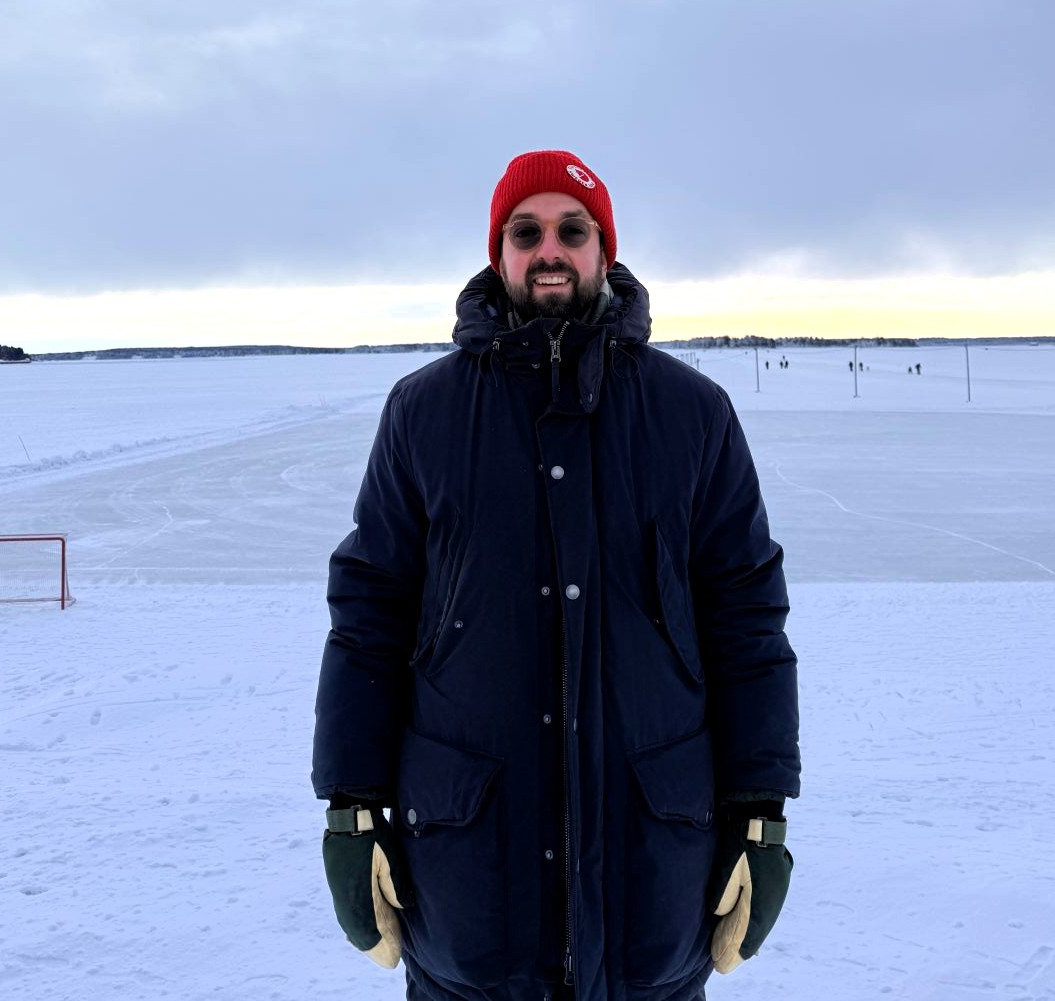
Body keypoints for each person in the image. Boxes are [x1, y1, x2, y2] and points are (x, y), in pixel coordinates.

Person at [312, 150, 801, 1001]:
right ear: (498, 252)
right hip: (469, 885)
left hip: (653, 879)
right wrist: (351, 809)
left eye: (573, 231)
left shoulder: (693, 414)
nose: (549, 249)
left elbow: (747, 617)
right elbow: (369, 614)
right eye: (526, 231)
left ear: (603, 250)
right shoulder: (422, 413)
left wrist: (761, 813)